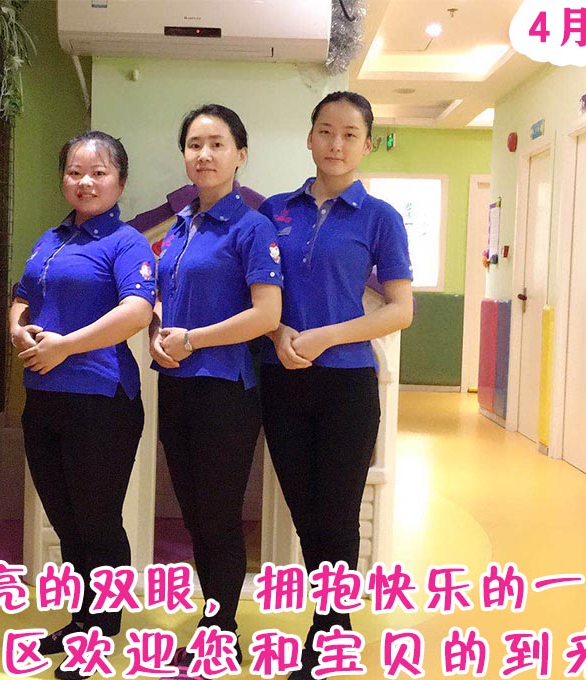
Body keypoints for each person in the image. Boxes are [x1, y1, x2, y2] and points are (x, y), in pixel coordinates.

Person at [258, 91, 414, 680]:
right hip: (282, 378)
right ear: (310, 137)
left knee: (338, 511)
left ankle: (328, 633)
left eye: (350, 134)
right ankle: (332, 622)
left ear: (367, 144)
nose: (336, 143)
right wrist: (277, 333)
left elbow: (400, 309)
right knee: (305, 511)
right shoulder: (275, 211)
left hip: (347, 384)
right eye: (326, 130)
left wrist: (326, 336)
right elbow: (256, 292)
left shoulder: (380, 218)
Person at [9, 131, 155, 680]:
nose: (85, 182)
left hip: (102, 400)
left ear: (120, 181)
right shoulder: (51, 238)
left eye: (98, 172)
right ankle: (83, 619)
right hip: (44, 397)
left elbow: (137, 311)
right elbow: (23, 296)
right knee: (67, 520)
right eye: (74, 172)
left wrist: (66, 346)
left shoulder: (126, 242)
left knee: (97, 519)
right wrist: (18, 331)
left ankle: (98, 630)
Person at [149, 104, 283, 672]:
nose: (204, 154)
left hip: (225, 389)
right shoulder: (179, 227)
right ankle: (215, 620)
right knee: (195, 516)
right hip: (177, 387)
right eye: (194, 144)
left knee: (218, 516)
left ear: (240, 155)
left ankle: (222, 632)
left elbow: (267, 314)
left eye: (217, 144)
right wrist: (159, 333)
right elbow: (163, 300)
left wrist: (192, 340)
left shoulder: (253, 227)